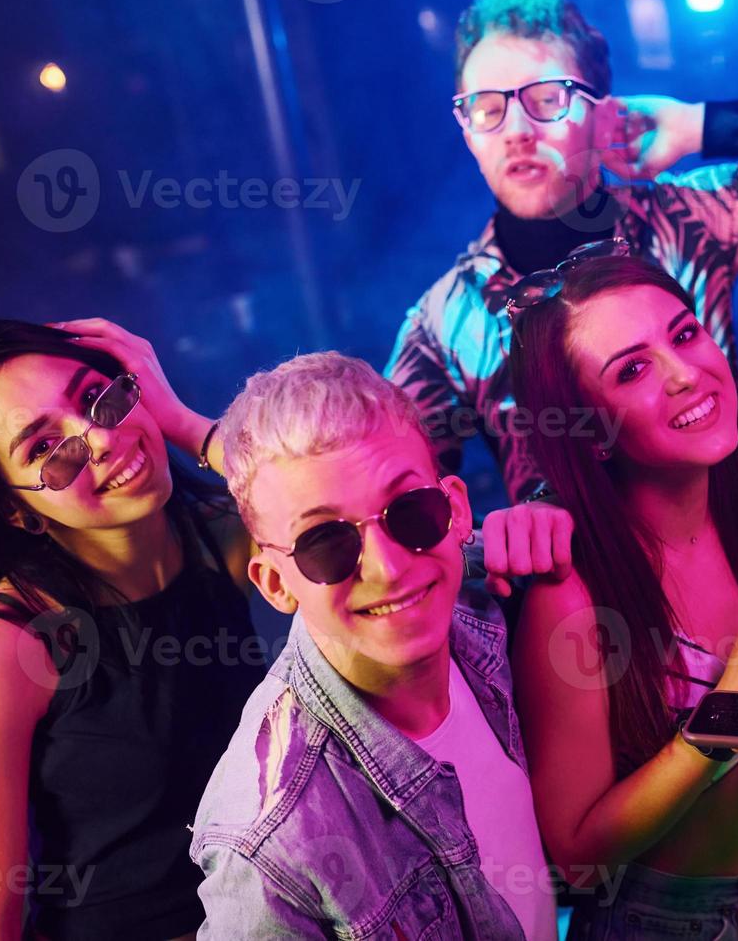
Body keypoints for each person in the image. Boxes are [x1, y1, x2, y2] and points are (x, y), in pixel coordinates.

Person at [386, 0, 738, 503]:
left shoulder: (687, 218)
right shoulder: (442, 322)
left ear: (601, 109)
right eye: (486, 106)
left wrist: (696, 125)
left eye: (547, 99)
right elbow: (396, 497)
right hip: (573, 588)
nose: (516, 129)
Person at [507, 253, 738, 939]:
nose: (684, 373)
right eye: (632, 370)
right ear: (589, 430)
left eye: (683, 334)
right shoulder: (573, 598)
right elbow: (579, 861)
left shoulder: (737, 496)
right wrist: (723, 721)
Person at [189, 353, 558, 940]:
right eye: (325, 544)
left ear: (456, 510)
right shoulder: (272, 846)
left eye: (410, 511)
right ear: (276, 583)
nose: (388, 569)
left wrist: (548, 515)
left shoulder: (483, 595)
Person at [0, 319, 260, 940]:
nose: (100, 438)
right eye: (46, 451)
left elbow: (348, 511)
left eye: (94, 398)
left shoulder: (229, 536)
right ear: (14, 508)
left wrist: (185, 422)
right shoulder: (3, 646)